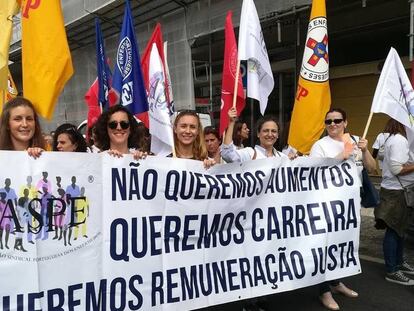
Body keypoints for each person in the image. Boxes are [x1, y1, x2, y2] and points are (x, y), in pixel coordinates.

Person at [310, 108, 376, 311]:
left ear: (345, 122)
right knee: (323, 247)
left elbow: (372, 169)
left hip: (350, 207)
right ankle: (324, 290)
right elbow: (313, 175)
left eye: (337, 120)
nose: (333, 124)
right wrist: (342, 155)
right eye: (328, 121)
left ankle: (336, 282)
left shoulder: (357, 140)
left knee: (342, 246)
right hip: (327, 206)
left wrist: (364, 151)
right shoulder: (319, 146)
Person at [374, 119, 414, 285]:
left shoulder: (395, 139)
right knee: (394, 230)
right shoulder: (399, 140)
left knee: (399, 230)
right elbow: (397, 169)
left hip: (397, 191)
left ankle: (398, 262)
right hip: (396, 192)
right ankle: (392, 270)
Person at [221, 107, 287, 162]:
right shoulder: (249, 154)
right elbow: (227, 153)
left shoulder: (283, 158)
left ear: (278, 135)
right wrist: (231, 123)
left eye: (274, 131)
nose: (270, 134)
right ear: (258, 133)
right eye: (266, 131)